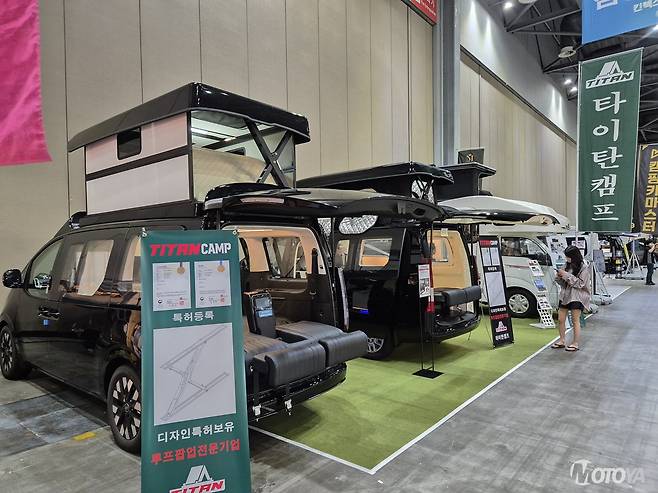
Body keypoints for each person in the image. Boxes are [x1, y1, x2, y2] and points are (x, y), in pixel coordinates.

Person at [551, 245, 591, 352]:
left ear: (574, 256)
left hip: (577, 297)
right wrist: (559, 277)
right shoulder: (566, 265)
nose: (567, 258)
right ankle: (562, 340)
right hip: (565, 295)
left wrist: (566, 275)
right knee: (561, 319)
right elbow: (562, 283)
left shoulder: (584, 268)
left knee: (575, 320)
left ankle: (575, 343)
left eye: (568, 256)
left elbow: (580, 284)